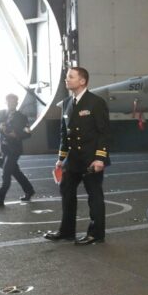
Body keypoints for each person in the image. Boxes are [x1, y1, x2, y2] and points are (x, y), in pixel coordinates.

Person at [44, 67, 110, 246]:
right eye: (67, 77)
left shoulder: (96, 102)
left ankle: (96, 233)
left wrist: (100, 158)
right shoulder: (66, 103)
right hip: (72, 159)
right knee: (66, 192)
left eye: (71, 77)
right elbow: (64, 134)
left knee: (94, 195)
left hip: (91, 158)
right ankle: (66, 231)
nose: (67, 80)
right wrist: (60, 158)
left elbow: (104, 132)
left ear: (82, 81)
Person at [0, 93, 35, 206]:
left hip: (15, 150)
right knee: (16, 172)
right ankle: (29, 191)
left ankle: (0, 198)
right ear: (6, 102)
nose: (11, 104)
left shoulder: (22, 117)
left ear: (17, 103)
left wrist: (17, 135)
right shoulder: (1, 113)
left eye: (13, 102)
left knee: (6, 173)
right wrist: (0, 127)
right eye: (9, 101)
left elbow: (28, 133)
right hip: (4, 150)